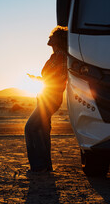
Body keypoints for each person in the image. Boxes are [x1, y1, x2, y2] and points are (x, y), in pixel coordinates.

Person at [25, 25, 68, 173]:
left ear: (59, 39)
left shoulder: (61, 55)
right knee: (42, 131)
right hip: (46, 96)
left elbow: (62, 77)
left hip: (51, 98)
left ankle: (38, 166)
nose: (49, 37)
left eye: (52, 35)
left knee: (30, 128)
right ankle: (46, 166)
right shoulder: (55, 56)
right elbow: (51, 78)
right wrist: (38, 79)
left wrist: (47, 81)